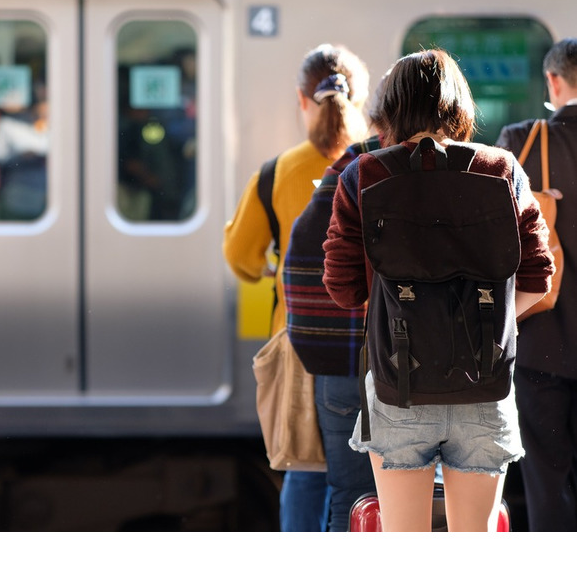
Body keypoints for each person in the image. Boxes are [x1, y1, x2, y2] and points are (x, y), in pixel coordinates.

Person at [323, 48, 554, 532]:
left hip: (397, 386)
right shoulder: (502, 169)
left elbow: (344, 291)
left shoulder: (363, 175)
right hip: (485, 385)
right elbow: (538, 277)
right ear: (461, 107)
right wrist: (487, 324)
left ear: (394, 108)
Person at [223, 43, 369, 531]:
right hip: (374, 346)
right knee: (366, 481)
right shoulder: (380, 162)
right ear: (363, 100)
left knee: (306, 472)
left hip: (300, 343)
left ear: (302, 101)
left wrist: (273, 267)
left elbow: (240, 257)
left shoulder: (277, 173)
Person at [282, 74, 389, 531]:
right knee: (433, 498)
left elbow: (302, 264)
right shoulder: (468, 168)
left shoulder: (351, 167)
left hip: (346, 367)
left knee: (349, 496)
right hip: (440, 371)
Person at [495, 37, 577, 531]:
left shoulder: (523, 142)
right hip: (542, 349)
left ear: (553, 81)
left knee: (546, 478)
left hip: (540, 344)